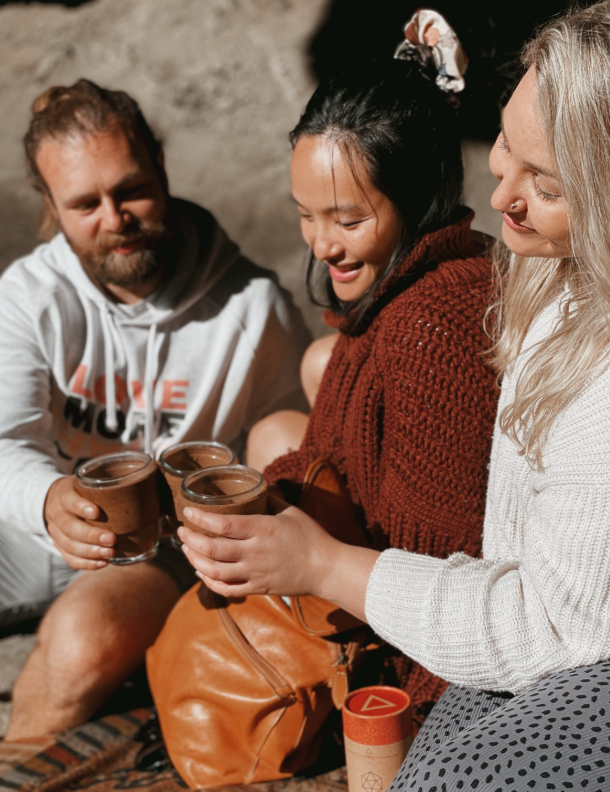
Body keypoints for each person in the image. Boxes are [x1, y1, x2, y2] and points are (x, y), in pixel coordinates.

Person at [179, 3, 610, 786]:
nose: (501, 197)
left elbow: (503, 586)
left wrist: (319, 564)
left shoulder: (436, 327)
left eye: (544, 183)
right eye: (503, 147)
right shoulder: (543, 278)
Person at [0, 79, 310, 739]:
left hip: (159, 546)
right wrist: (47, 500)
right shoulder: (25, 300)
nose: (114, 218)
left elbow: (287, 452)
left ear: (161, 167)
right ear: (50, 205)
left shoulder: (251, 310)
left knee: (81, 638)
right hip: (28, 524)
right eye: (84, 203)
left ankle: (12, 776)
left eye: (131, 190)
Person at [189, 13, 500, 730]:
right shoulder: (428, 275)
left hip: (427, 641)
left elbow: (439, 561)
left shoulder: (431, 326)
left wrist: (403, 722)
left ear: (416, 196)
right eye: (306, 215)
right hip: (378, 569)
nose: (321, 244)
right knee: (284, 417)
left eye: (348, 220)